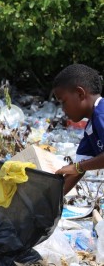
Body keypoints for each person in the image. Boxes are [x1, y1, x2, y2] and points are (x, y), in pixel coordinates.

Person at [53, 64, 104, 194]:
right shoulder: (91, 128)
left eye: (63, 101)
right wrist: (50, 201)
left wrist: (78, 167)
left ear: (80, 93)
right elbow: (77, 170)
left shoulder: (101, 113)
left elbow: (79, 167)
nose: (63, 110)